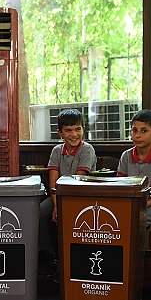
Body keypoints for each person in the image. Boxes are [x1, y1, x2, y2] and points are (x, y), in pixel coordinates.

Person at [38, 108, 97, 280]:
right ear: (60, 133)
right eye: (68, 130)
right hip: (59, 196)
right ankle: (49, 256)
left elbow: (78, 182)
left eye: (77, 129)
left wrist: (62, 207)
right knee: (40, 211)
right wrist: (57, 206)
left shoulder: (87, 150)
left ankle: (75, 262)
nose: (74, 134)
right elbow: (53, 181)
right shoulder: (57, 151)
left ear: (83, 129)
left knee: (71, 214)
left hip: (81, 197)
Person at [117, 109, 151, 226]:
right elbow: (120, 186)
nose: (137, 135)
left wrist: (144, 205)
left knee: (138, 219)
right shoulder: (126, 156)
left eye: (144, 131)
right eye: (134, 130)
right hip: (132, 203)